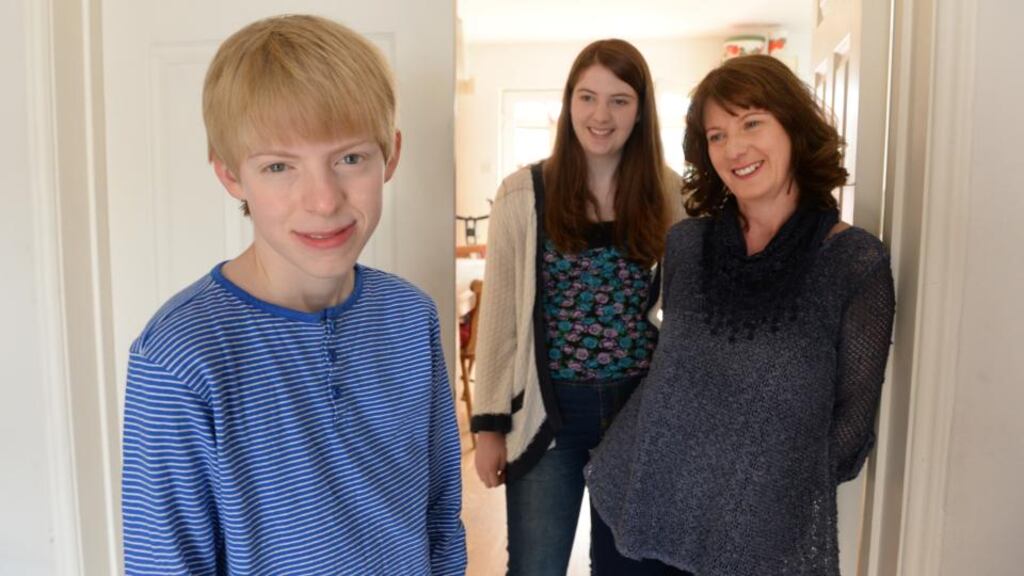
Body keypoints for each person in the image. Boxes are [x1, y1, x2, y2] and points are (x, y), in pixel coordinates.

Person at [120, 15, 466, 575]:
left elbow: (439, 513)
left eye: (350, 158)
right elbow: (166, 562)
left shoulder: (410, 317)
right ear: (232, 176)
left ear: (391, 156)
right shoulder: (180, 356)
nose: (323, 200)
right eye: (279, 166)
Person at [585, 54, 897, 575]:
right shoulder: (687, 244)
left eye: (752, 123)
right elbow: (674, 378)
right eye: (717, 135)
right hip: (640, 501)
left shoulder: (854, 262)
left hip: (760, 535)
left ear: (794, 129)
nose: (735, 148)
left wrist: (751, 490)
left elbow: (850, 427)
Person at [470, 38, 683, 575]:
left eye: (619, 100)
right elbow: (498, 320)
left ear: (641, 111)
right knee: (535, 567)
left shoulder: (671, 194)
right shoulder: (523, 194)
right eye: (587, 97)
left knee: (630, 568)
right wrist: (488, 428)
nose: (600, 115)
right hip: (549, 417)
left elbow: (686, 312)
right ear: (568, 105)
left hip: (640, 416)